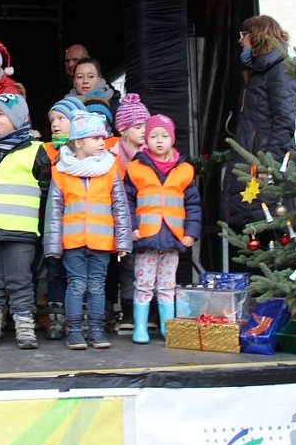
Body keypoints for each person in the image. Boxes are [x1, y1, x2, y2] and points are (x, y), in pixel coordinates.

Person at [44, 111, 132, 350]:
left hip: (101, 241)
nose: (103, 143)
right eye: (96, 138)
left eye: (103, 138)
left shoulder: (110, 168)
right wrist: (53, 246)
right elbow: (53, 212)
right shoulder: (61, 171)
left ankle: (96, 329)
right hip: (72, 242)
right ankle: (73, 330)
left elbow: (120, 207)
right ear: (79, 142)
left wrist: (123, 242)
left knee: (96, 285)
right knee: (76, 285)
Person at [0, 93, 50, 349]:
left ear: (17, 119)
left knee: (19, 280)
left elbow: (47, 190)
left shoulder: (37, 151)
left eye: (0, 113)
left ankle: (24, 328)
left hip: (20, 229)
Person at [124, 114, 201, 344]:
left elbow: (193, 204)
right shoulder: (135, 168)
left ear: (172, 139)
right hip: (146, 235)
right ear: (146, 139)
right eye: (154, 136)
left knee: (167, 285)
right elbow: (127, 201)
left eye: (164, 136)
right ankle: (140, 328)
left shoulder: (185, 170)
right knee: (144, 284)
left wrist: (191, 232)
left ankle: (168, 328)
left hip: (173, 237)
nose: (159, 140)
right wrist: (131, 227)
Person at [221, 16, 296, 240]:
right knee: (251, 232)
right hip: (251, 162)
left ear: (255, 36)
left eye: (243, 35)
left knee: (267, 231)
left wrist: (270, 164)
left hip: (265, 167)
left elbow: (284, 120)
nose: (240, 41)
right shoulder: (257, 72)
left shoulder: (280, 70)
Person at [40, 96, 86, 341]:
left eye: (61, 118)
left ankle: (80, 319)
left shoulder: (88, 151)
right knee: (55, 271)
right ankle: (56, 319)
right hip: (53, 223)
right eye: (52, 120)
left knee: (80, 274)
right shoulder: (45, 151)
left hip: (80, 224)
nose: (55, 124)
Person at [108, 93, 151, 334]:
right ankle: (127, 309)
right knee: (126, 264)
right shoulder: (112, 155)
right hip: (121, 217)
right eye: (138, 126)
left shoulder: (153, 153)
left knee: (148, 264)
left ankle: (150, 310)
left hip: (147, 217)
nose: (144, 130)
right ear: (123, 129)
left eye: (145, 124)